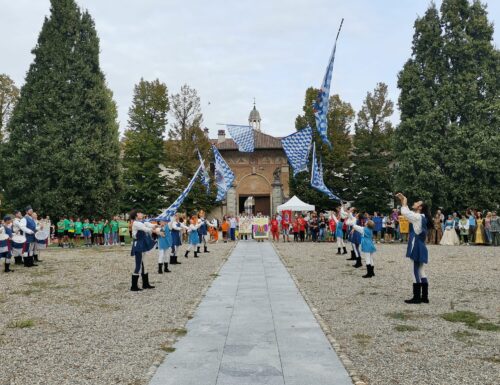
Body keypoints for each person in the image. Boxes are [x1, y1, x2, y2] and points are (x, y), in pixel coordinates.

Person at [396, 193, 432, 305]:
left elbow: (405, 213)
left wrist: (405, 200)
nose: (415, 203)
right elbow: (408, 214)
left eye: (417, 203)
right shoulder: (422, 217)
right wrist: (403, 201)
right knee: (421, 270)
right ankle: (424, 297)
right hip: (421, 246)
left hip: (416, 246)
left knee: (414, 270)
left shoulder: (417, 217)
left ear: (420, 207)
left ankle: (416, 297)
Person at [129, 209, 157, 291]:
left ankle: (145, 284)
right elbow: (146, 229)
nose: (142, 214)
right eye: (140, 213)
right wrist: (155, 230)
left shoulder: (142, 221)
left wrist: (156, 226)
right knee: (138, 265)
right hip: (138, 245)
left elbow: (149, 225)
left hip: (142, 244)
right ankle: (133, 286)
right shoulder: (136, 223)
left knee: (145, 264)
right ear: (137, 214)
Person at [348, 210, 377, 278]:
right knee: (371, 258)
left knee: (367, 259)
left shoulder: (363, 229)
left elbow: (354, 226)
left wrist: (354, 219)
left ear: (367, 225)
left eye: (366, 222)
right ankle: (372, 272)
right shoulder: (370, 230)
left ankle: (369, 274)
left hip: (366, 245)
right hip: (371, 244)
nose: (365, 222)